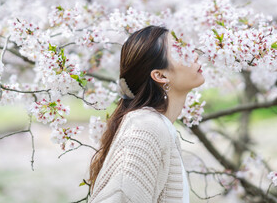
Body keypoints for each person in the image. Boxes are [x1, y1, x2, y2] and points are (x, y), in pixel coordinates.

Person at [88, 25, 205, 203]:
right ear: (160, 75)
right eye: (180, 51)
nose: (194, 54)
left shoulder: (155, 125)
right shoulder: (145, 127)